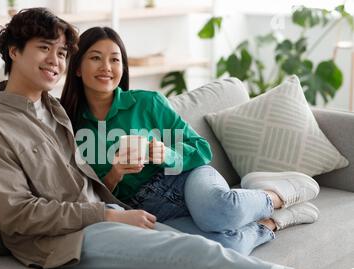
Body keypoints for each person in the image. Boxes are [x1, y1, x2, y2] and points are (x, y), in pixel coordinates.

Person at [0, 7, 354, 269]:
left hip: (117, 213)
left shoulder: (52, 112)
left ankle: (272, 204)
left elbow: (89, 184)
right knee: (198, 253)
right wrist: (107, 208)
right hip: (66, 241)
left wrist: (120, 199)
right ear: (14, 51)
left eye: (62, 52)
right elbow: (16, 216)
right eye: (43, 49)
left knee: (212, 244)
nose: (55, 60)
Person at [60, 26, 320, 256]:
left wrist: (166, 154)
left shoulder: (146, 103)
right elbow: (88, 197)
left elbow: (201, 149)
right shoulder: (69, 126)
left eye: (114, 60)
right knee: (224, 249)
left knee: (218, 211)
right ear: (78, 68)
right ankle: (273, 223)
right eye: (95, 58)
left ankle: (276, 195)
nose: (106, 67)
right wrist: (115, 174)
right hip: (147, 207)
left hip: (186, 178)